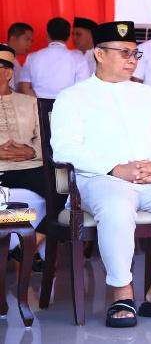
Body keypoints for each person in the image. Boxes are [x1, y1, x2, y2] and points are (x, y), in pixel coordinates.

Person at [51, 21, 151, 328]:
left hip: (150, 179)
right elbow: (64, 149)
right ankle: (122, 293)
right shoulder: (72, 97)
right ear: (99, 54)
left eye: (135, 54)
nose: (132, 60)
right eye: (124, 53)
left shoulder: (150, 95)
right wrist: (116, 168)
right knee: (117, 204)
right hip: (100, 179)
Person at [0, 44, 47, 270]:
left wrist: (31, 151)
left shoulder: (30, 102)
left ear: (9, 72)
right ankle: (17, 245)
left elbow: (44, 142)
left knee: (65, 191)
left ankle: (29, 244)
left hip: (29, 168)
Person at [18, 17, 90, 99]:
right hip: (67, 105)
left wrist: (40, 103)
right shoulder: (79, 59)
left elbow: (24, 88)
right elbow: (83, 89)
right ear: (68, 36)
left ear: (47, 34)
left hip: (39, 105)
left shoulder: (32, 57)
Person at [4, 22, 33, 91]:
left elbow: (20, 86)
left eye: (31, 41)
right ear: (13, 39)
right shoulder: (3, 56)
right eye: (27, 39)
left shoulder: (14, 61)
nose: (29, 44)